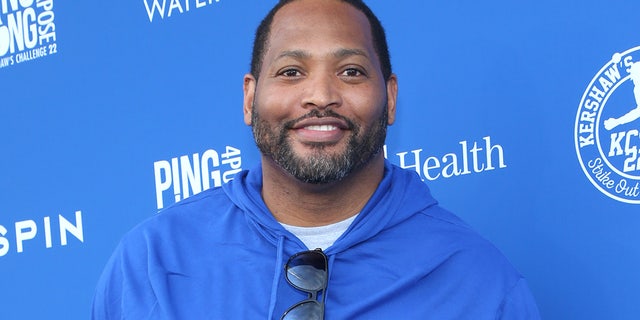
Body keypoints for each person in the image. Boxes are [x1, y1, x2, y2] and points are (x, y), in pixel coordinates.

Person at [92, 0, 541, 319]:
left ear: (390, 97)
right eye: (291, 72)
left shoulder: (480, 283)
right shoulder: (151, 262)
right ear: (250, 98)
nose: (321, 96)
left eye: (351, 72)